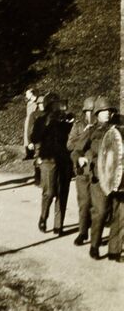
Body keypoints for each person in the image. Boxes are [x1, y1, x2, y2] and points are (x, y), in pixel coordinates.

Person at [71, 96, 115, 260]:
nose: (107, 114)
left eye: (109, 111)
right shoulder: (90, 131)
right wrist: (80, 159)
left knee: (108, 212)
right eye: (103, 111)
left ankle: (105, 245)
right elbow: (75, 151)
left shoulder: (116, 130)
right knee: (99, 210)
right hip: (96, 176)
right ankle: (94, 245)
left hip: (113, 176)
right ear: (97, 114)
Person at [30, 93, 72, 234]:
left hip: (63, 160)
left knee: (63, 192)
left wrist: (68, 122)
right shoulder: (41, 120)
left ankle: (58, 225)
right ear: (49, 106)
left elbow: (70, 136)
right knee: (49, 192)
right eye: (55, 105)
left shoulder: (64, 120)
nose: (58, 108)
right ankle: (43, 217)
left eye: (60, 105)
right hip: (48, 159)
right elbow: (34, 137)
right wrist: (46, 124)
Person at [68, 96, 96, 246]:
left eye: (93, 111)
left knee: (97, 205)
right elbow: (69, 145)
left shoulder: (100, 127)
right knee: (84, 203)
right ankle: (83, 232)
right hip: (82, 170)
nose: (91, 114)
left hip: (97, 170)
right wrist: (83, 135)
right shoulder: (78, 126)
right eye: (89, 111)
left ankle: (95, 236)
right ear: (85, 112)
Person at [28, 95, 46, 185]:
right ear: (37, 104)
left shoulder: (49, 113)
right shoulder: (34, 114)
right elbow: (30, 128)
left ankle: (45, 179)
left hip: (47, 140)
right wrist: (30, 141)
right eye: (40, 103)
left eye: (43, 103)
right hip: (37, 140)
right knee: (38, 158)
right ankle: (38, 178)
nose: (42, 105)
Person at [23, 89, 39, 158]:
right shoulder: (29, 103)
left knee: (33, 135)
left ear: (31, 94)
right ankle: (28, 153)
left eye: (27, 94)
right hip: (28, 121)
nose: (26, 96)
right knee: (27, 136)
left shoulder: (36, 103)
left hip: (33, 120)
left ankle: (34, 152)